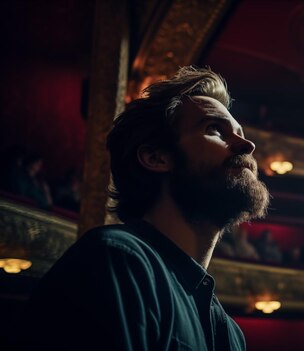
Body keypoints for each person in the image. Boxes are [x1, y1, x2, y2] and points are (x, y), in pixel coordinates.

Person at [23, 67, 270, 351]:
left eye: (240, 132)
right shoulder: (116, 260)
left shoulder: (230, 332)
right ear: (156, 157)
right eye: (214, 128)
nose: (248, 144)